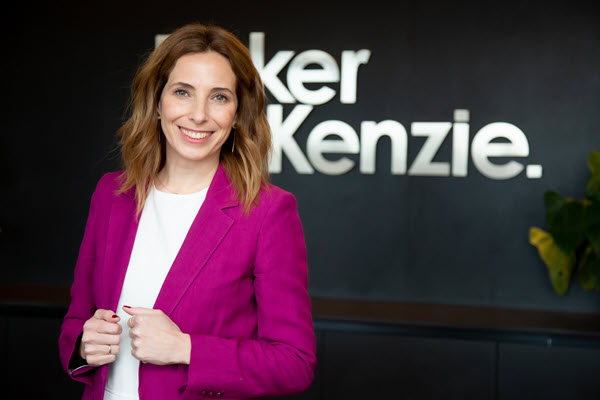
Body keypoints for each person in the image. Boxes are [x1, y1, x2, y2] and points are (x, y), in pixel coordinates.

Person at [58, 23, 316, 400]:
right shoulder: (111, 195)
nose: (198, 115)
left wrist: (186, 348)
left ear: (237, 113)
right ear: (157, 101)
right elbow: (76, 323)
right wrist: (84, 344)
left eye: (219, 97)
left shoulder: (266, 211)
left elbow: (294, 363)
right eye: (183, 92)